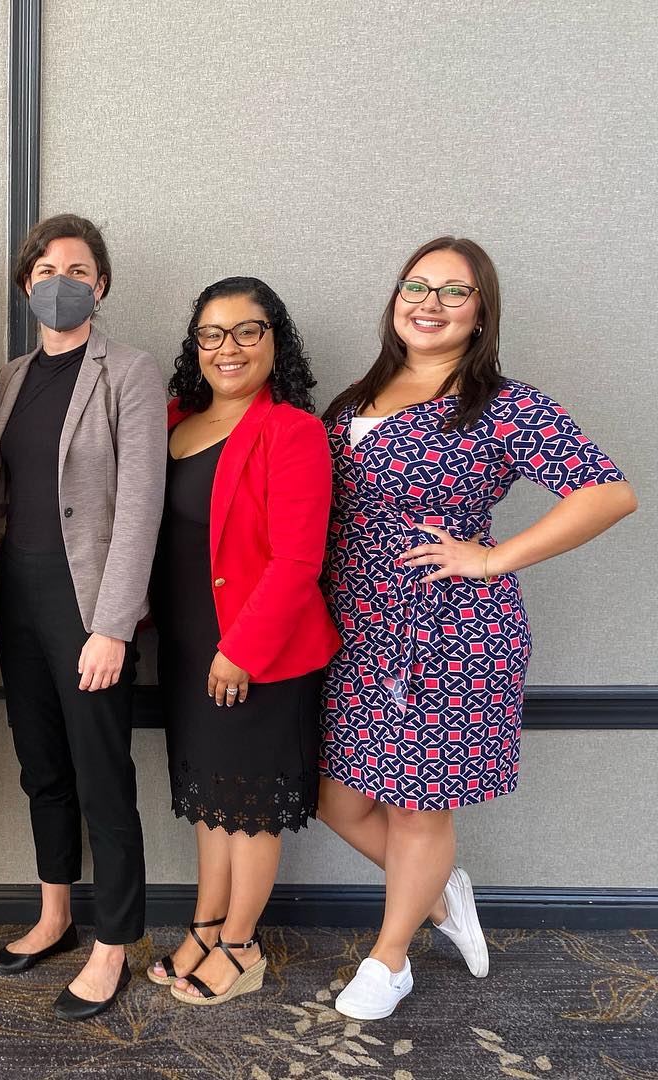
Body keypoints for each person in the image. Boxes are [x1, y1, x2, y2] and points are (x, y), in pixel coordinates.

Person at [318, 236, 637, 1020]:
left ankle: (389, 961)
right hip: (356, 624)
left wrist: (493, 558)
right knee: (339, 800)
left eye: (453, 292)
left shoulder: (505, 404)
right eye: (415, 286)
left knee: (421, 803)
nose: (429, 303)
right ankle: (439, 890)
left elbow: (607, 493)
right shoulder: (358, 395)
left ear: (482, 311)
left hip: (451, 630)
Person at [0, 213, 166, 1019]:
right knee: (42, 767)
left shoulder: (130, 371)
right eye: (48, 268)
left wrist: (114, 626)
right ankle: (54, 915)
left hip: (89, 608)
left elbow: (140, 508)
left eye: (80, 269)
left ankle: (114, 943)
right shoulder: (11, 377)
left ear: (102, 283)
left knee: (101, 776)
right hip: (18, 602)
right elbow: (0, 501)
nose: (63, 281)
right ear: (27, 285)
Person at [146, 277, 339, 1006]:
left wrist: (243, 650)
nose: (228, 348)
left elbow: (298, 562)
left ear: (274, 341)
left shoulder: (291, 430)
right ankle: (205, 924)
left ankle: (240, 944)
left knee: (251, 803)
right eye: (211, 335)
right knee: (210, 797)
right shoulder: (175, 418)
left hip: (258, 652)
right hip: (189, 644)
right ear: (194, 347)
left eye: (247, 331)